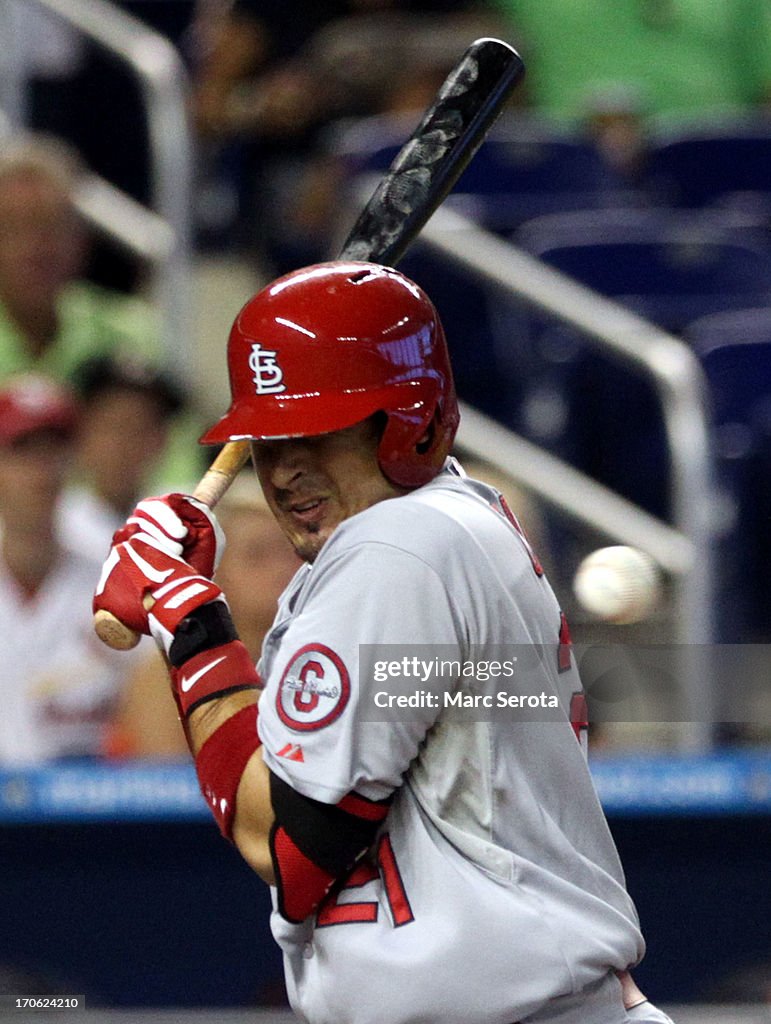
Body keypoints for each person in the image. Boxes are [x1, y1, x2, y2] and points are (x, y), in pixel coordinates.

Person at [93, 262, 674, 1023]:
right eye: (266, 440)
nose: (286, 469)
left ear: (410, 420)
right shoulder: (443, 530)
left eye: (318, 430)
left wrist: (192, 626)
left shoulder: (398, 546)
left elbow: (289, 847)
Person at [0, 374, 144, 762]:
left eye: (54, 450)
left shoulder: (114, 583)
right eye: (22, 450)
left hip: (85, 807)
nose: (41, 470)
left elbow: (150, 710)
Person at [58, 354, 187, 563]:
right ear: (81, 433)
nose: (124, 444)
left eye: (140, 428)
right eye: (112, 426)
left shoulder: (185, 524)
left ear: (162, 440)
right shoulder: (51, 525)